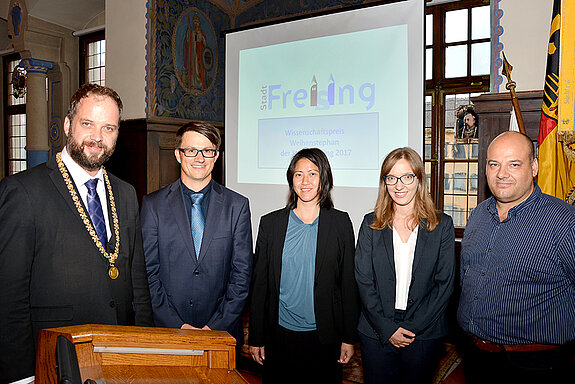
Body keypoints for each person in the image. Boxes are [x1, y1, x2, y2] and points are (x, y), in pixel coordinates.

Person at [0, 84, 154, 384]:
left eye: (108, 127)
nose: (98, 137)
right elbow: (8, 294)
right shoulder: (22, 192)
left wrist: (143, 345)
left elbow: (138, 283)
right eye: (88, 124)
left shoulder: (125, 193)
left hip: (118, 352)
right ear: (68, 125)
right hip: (55, 357)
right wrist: (21, 376)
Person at [457, 131, 575, 383]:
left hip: (536, 365)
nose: (501, 173)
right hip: (476, 357)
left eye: (513, 164)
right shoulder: (478, 214)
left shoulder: (565, 222)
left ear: (533, 167)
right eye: (494, 164)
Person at [249, 148, 359, 384]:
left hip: (325, 337)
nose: (305, 181)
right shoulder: (270, 223)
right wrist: (256, 337)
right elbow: (260, 287)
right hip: (279, 336)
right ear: (291, 180)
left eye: (312, 173)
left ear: (324, 178)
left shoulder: (340, 223)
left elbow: (348, 284)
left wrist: (349, 337)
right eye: (299, 174)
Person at [141, 122, 252, 349]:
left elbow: (241, 275)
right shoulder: (153, 205)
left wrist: (214, 328)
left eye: (207, 151)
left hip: (222, 334)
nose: (199, 158)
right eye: (191, 150)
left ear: (216, 156)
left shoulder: (237, 206)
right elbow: (148, 274)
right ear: (178, 155)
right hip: (168, 333)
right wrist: (177, 326)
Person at [354, 147, 455, 384]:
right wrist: (387, 329)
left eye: (407, 177)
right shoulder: (371, 223)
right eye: (391, 178)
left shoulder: (442, 225)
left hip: (424, 332)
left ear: (419, 180)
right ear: (385, 182)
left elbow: (445, 284)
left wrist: (411, 328)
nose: (399, 185)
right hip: (376, 331)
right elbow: (363, 280)